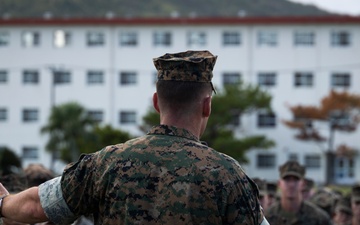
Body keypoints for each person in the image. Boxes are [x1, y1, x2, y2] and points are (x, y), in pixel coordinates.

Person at [0, 50, 268, 225]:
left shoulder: (107, 163)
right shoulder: (229, 175)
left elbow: (38, 206)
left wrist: (4, 202)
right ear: (207, 105)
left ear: (156, 102)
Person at [266, 160, 332, 225]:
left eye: (296, 180)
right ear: (279, 184)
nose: (291, 184)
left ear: (303, 184)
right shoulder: (268, 217)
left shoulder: (319, 218)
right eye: (287, 179)